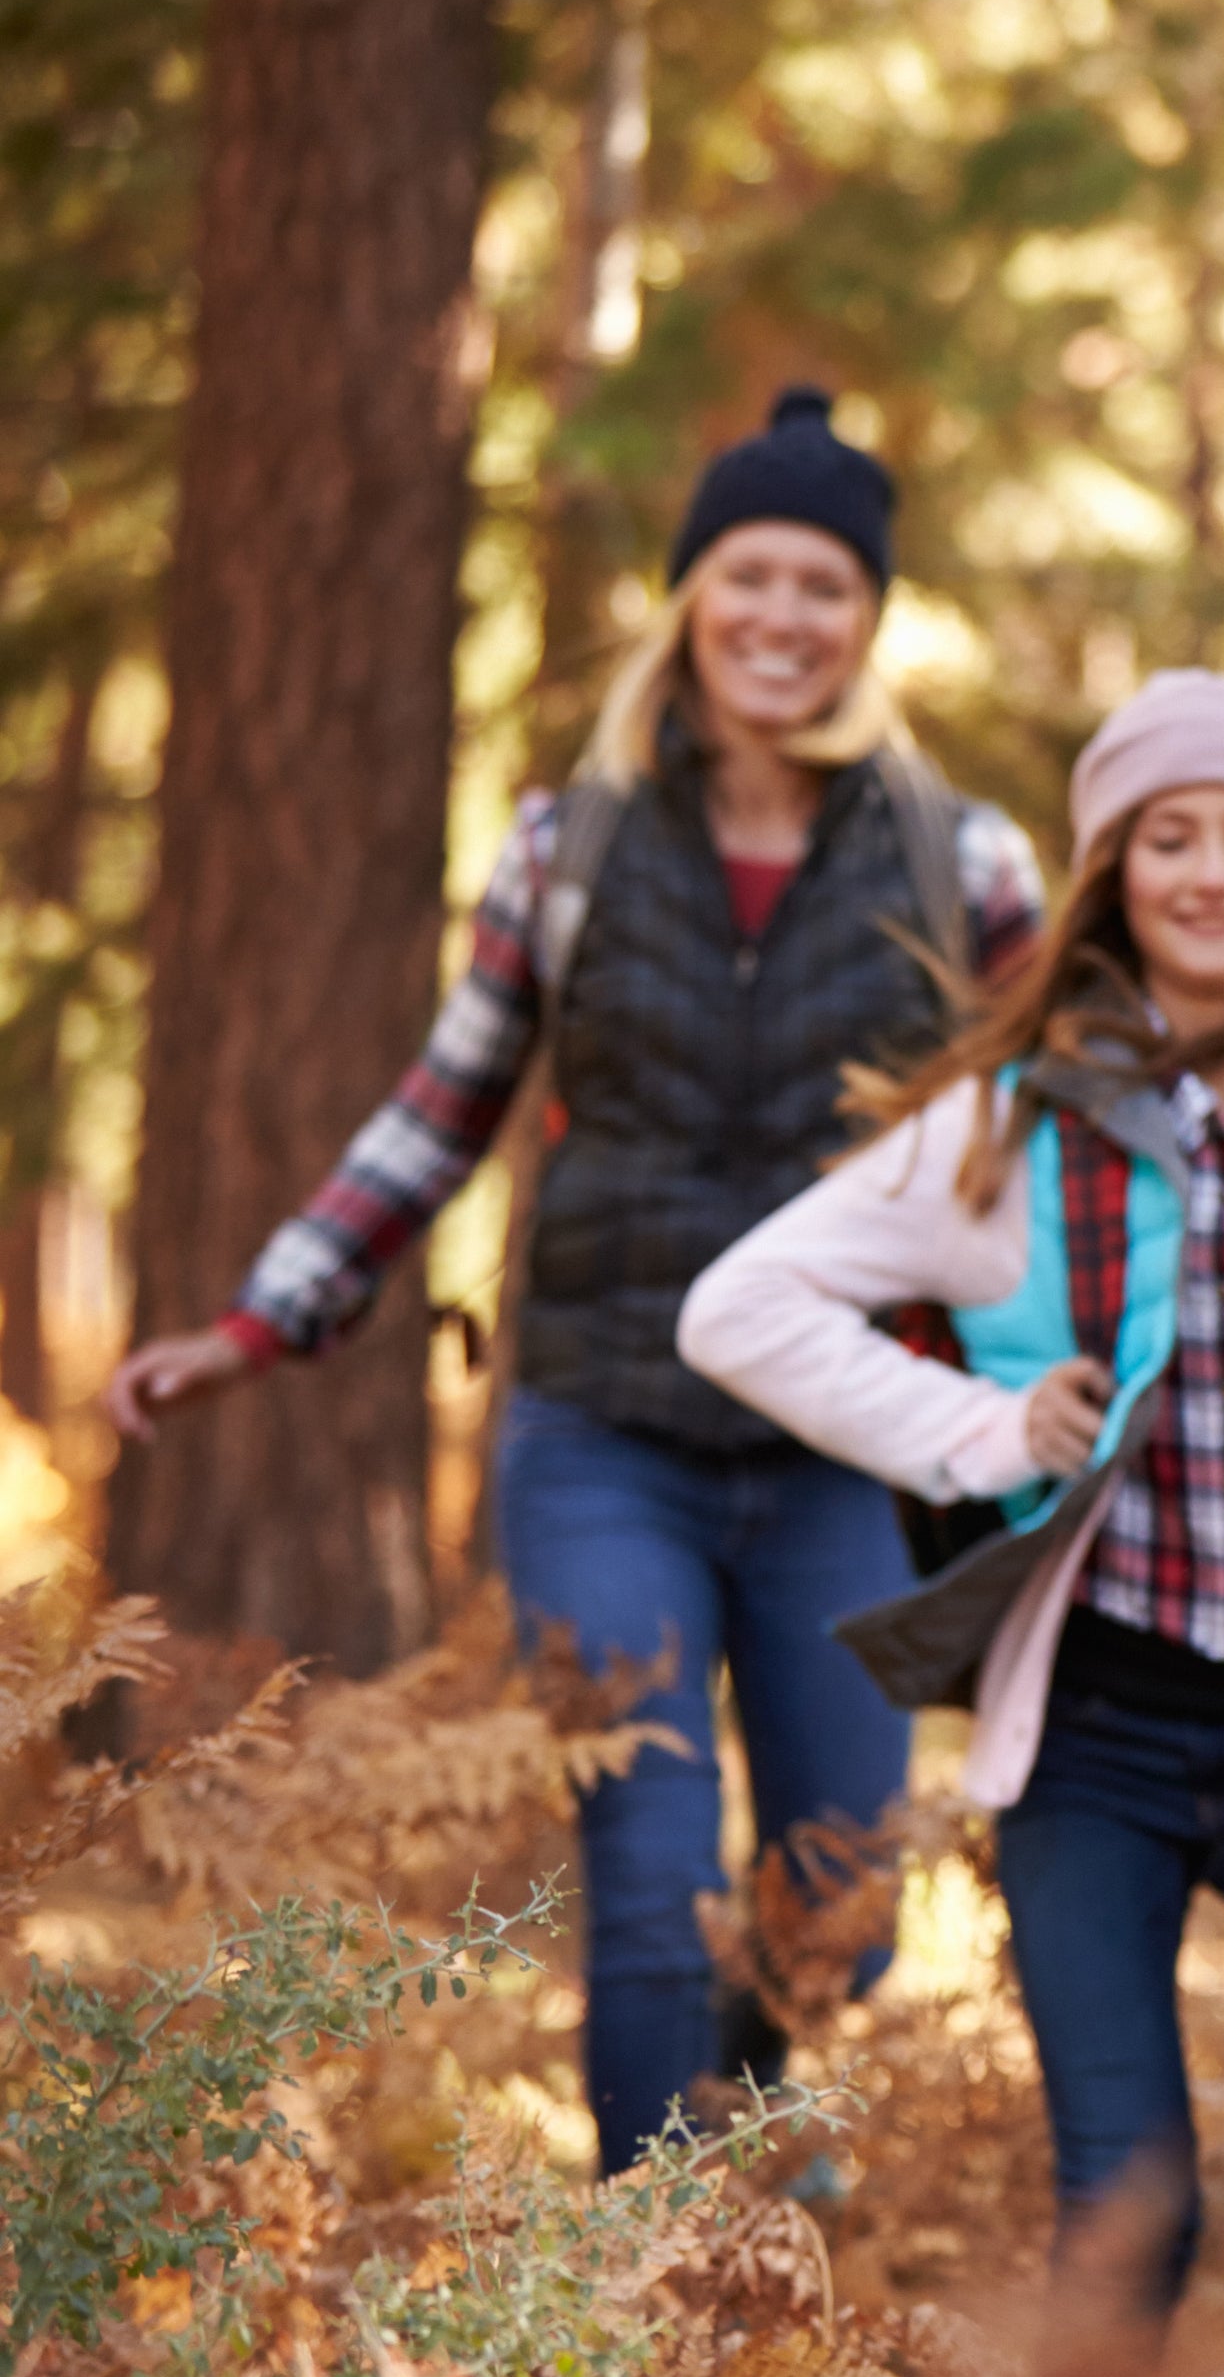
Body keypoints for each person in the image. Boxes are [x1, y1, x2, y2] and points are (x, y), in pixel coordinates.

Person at [105, 387, 1046, 2173]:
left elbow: (1066, 1138)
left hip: (848, 1444)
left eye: (826, 586)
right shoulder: (570, 848)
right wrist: (260, 1321)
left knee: (840, 1892)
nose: (783, 617)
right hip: (606, 1437)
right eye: (750, 576)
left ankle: (757, 2186)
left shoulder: (965, 860)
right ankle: (637, 2274)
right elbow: (438, 1114)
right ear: (691, 598)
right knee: (646, 1865)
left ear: (869, 619)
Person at [678, 671, 1224, 2366]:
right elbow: (740, 1310)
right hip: (1091, 1733)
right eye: (1168, 838)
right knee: (1127, 2201)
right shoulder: (1012, 1120)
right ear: (1112, 873)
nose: (1211, 873)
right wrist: (984, 1428)